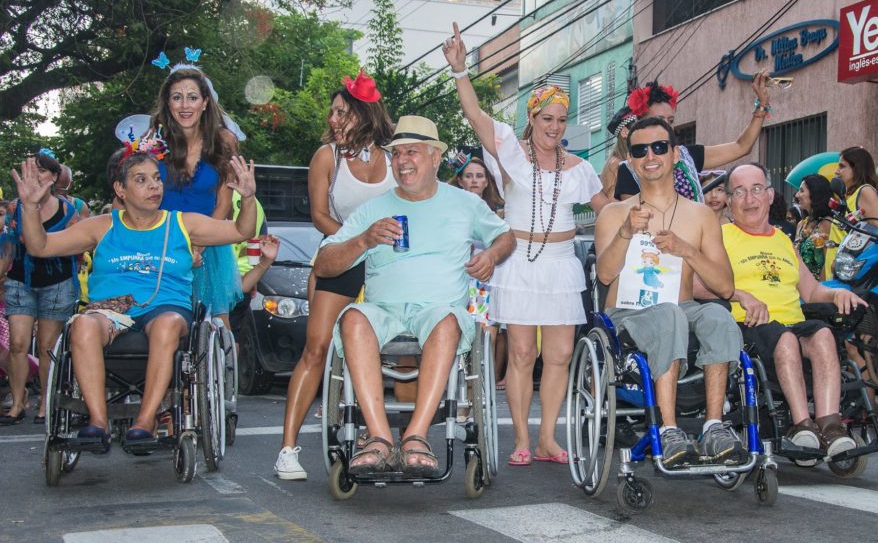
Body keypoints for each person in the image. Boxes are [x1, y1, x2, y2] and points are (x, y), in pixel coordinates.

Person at [8, 146, 257, 448]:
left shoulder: (182, 223)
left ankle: (145, 420)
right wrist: (31, 207)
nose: (154, 185)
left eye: (156, 178)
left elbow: (242, 230)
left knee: (167, 324)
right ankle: (98, 421)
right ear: (120, 189)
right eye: (141, 180)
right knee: (82, 325)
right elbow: (40, 246)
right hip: (110, 310)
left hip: (166, 307)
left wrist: (247, 197)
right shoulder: (103, 226)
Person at [445, 23, 610, 466]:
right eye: (546, 118)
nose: (554, 127)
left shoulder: (580, 167)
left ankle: (547, 439)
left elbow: (606, 210)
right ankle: (520, 437)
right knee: (521, 352)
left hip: (561, 264)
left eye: (560, 120)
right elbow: (477, 117)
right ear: (532, 118)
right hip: (517, 261)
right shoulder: (511, 155)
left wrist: (639, 209)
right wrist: (461, 71)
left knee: (557, 355)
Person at [315, 115, 514, 475]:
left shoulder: (464, 203)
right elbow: (324, 264)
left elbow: (505, 236)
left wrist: (490, 256)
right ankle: (379, 437)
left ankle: (416, 436)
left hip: (438, 310)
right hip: (384, 310)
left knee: (448, 321)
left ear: (435, 157)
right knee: (353, 318)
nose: (403, 160)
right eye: (397, 154)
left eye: (412, 152)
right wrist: (363, 239)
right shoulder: (374, 208)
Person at [596, 117, 744, 465]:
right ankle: (668, 429)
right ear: (630, 160)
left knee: (718, 316)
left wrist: (687, 250)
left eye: (659, 147)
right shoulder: (613, 213)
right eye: (640, 150)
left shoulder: (702, 215)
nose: (650, 155)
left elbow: (724, 286)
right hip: (628, 314)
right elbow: (604, 275)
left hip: (682, 307)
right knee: (668, 314)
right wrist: (625, 233)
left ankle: (713, 425)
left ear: (675, 154)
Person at [273, 70, 396, 481]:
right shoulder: (326, 156)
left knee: (380, 349)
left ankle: (370, 433)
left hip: (390, 262)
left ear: (363, 113)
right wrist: (355, 239)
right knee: (317, 347)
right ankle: (288, 448)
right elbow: (319, 215)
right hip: (341, 256)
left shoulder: (395, 156)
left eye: (341, 112)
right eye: (331, 112)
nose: (333, 119)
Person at [699, 163, 866, 459]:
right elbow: (696, 286)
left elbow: (812, 291)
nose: (750, 199)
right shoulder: (720, 236)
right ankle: (802, 426)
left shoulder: (783, 240)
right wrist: (739, 295)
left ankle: (830, 425)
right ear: (729, 199)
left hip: (791, 322)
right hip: (748, 326)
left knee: (824, 334)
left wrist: (838, 291)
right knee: (785, 339)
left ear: (770, 195)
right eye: (740, 192)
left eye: (757, 190)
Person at [151, 67, 242, 326]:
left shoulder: (223, 141)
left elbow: (224, 203)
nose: (185, 104)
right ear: (168, 103)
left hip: (208, 243)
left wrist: (199, 243)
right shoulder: (154, 141)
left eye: (192, 97)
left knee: (217, 324)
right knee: (163, 321)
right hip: (162, 242)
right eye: (176, 97)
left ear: (204, 102)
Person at [0, 150, 80, 426]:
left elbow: (77, 251)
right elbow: (8, 248)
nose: (37, 176)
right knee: (18, 344)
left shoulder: (69, 210)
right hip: (21, 280)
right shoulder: (14, 207)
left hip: (57, 283)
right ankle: (18, 401)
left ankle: (46, 402)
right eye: (32, 171)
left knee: (47, 346)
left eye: (43, 171)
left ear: (55, 176)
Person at [609, 72, 771, 201]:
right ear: (641, 123)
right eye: (659, 120)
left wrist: (762, 104)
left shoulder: (687, 156)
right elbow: (635, 226)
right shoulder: (629, 169)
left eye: (670, 120)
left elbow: (741, 147)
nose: (666, 126)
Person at [449, 154, 508, 390]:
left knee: (487, 339)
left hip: (486, 283)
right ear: (460, 181)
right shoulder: (448, 209)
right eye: (469, 176)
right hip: (456, 281)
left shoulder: (498, 215)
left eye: (479, 176)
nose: (474, 180)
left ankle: (480, 395)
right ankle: (461, 396)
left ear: (486, 182)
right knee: (459, 339)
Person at [826, 146, 878, 276]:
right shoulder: (848, 196)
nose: (837, 172)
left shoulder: (865, 191)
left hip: (848, 271)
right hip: (837, 271)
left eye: (842, 166)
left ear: (857, 168)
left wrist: (847, 254)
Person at [794, 175, 833, 280]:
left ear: (815, 194)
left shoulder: (827, 223)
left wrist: (821, 291)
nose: (797, 195)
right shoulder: (801, 224)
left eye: (802, 191)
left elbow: (827, 263)